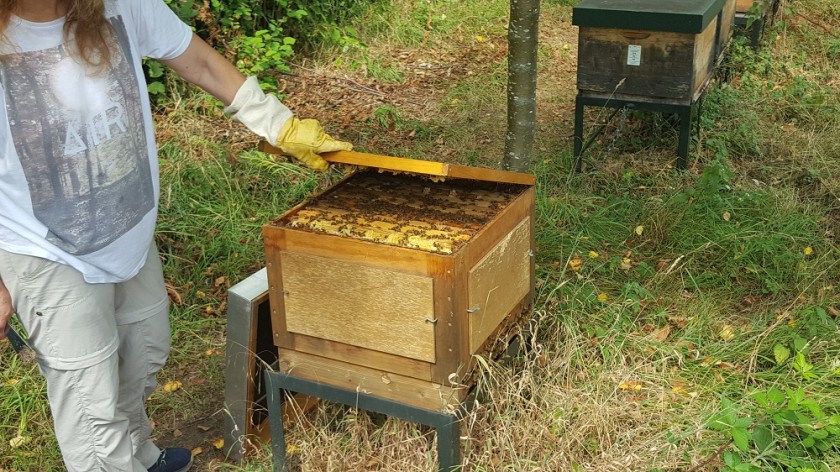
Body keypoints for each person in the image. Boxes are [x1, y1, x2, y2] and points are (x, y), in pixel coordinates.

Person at [0, 0, 352, 470]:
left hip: (129, 231)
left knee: (143, 354)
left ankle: (139, 455)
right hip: (44, 250)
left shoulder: (121, 5)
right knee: (90, 405)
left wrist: (276, 123)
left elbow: (203, 63)